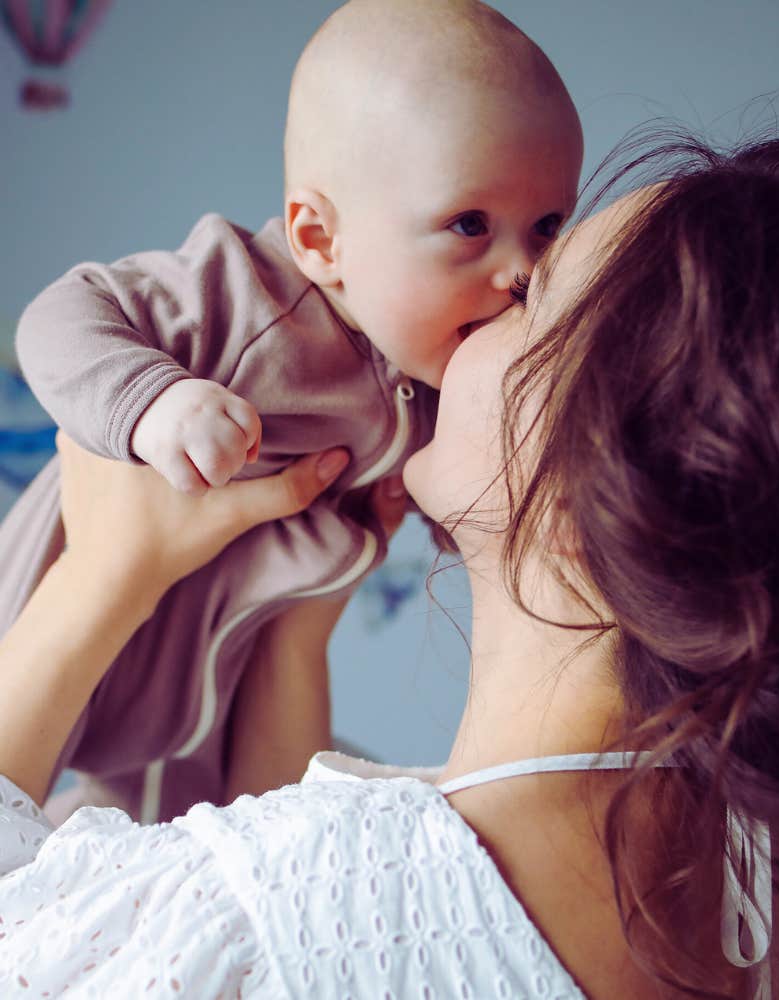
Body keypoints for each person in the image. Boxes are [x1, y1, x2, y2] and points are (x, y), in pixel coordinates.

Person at [2, 131, 779, 999]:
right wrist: (302, 611)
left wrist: (99, 582)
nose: (469, 311)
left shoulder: (275, 906)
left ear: (591, 488)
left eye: (528, 298)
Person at [0, 0, 583, 823]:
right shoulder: (243, 294)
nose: (520, 270)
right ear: (319, 239)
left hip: (208, 693)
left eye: (548, 227)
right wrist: (153, 403)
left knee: (203, 849)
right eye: (470, 224)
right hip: (44, 631)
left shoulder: (434, 371)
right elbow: (60, 316)